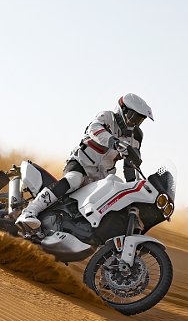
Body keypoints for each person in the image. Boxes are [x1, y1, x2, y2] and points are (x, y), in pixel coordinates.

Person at [16, 93, 153, 229]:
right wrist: (115, 142)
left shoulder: (136, 137)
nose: (134, 122)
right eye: (132, 116)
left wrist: (133, 187)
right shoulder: (107, 116)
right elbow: (95, 130)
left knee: (116, 196)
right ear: (122, 110)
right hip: (81, 163)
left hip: (102, 177)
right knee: (73, 179)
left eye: (139, 119)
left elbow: (130, 166)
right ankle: (29, 211)